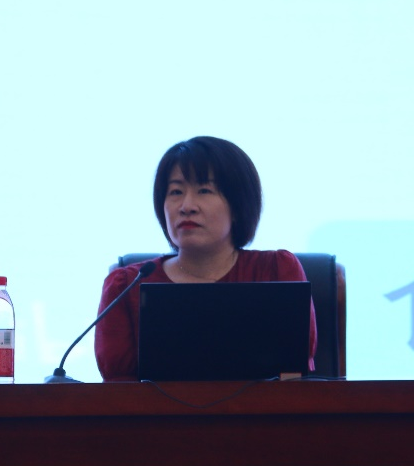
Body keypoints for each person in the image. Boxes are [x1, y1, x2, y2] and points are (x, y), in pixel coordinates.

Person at [94, 135, 317, 382]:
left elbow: (293, 379)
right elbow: (117, 389)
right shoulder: (126, 286)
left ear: (238, 205)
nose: (187, 206)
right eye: (176, 191)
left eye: (204, 190)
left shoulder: (277, 272)